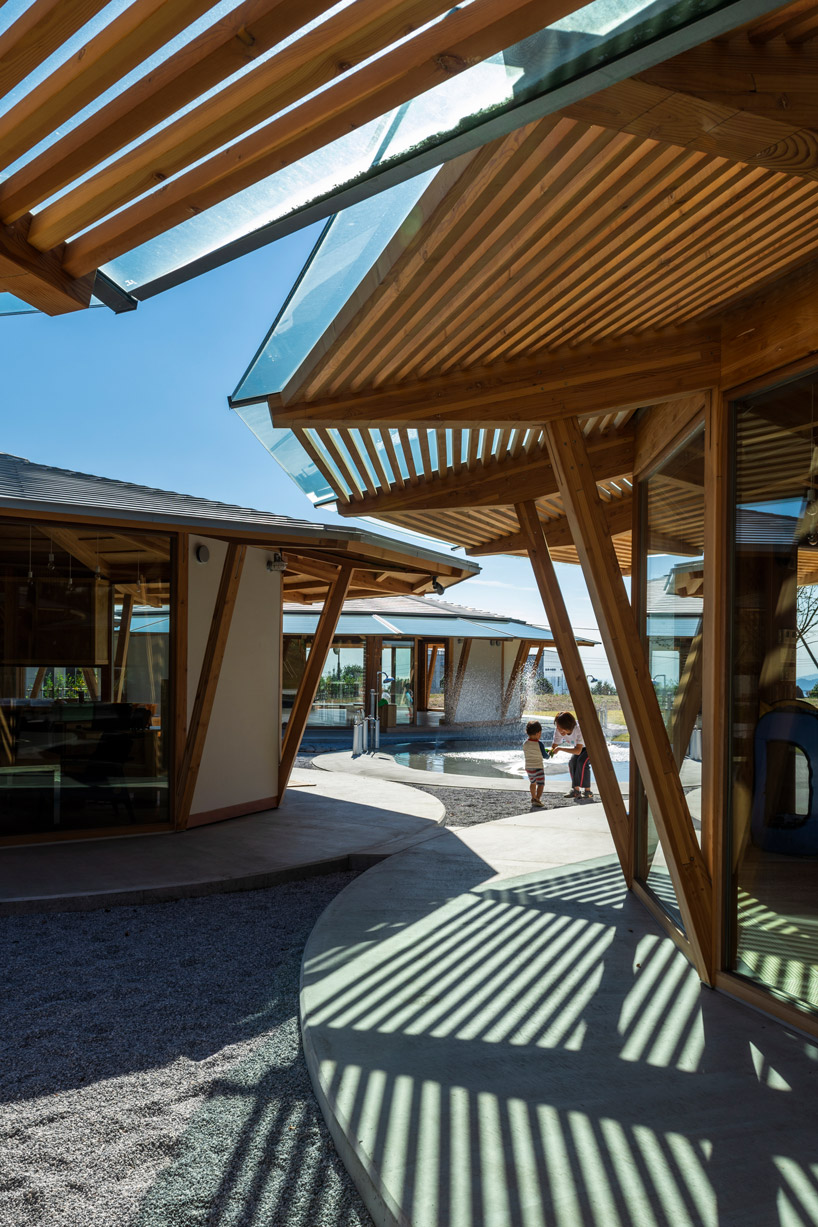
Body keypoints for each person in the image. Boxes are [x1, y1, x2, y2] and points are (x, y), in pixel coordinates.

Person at [551, 710, 593, 799]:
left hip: (592, 746)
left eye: (561, 728)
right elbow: (555, 744)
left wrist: (560, 749)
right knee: (572, 763)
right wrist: (550, 751)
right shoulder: (559, 729)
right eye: (558, 726)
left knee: (582, 762)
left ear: (569, 726)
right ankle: (576, 791)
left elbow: (577, 751)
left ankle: (588, 792)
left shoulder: (579, 729)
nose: (559, 730)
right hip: (579, 747)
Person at [523, 719, 547, 807]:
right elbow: (545, 755)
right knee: (541, 784)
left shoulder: (525, 743)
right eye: (540, 733)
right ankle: (537, 798)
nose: (540, 735)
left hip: (528, 768)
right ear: (537, 733)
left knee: (533, 783)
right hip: (538, 767)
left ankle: (533, 797)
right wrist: (549, 754)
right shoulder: (539, 744)